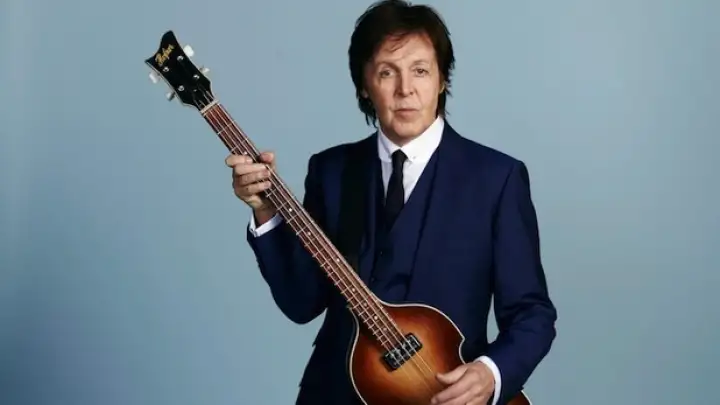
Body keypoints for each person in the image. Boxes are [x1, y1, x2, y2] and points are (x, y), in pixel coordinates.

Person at [226, 1, 557, 404]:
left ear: (442, 80)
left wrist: (490, 373)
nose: (405, 90)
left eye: (420, 71)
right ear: (364, 86)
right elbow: (301, 303)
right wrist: (265, 210)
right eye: (387, 72)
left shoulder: (496, 179)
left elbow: (531, 313)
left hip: (442, 395)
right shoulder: (331, 171)